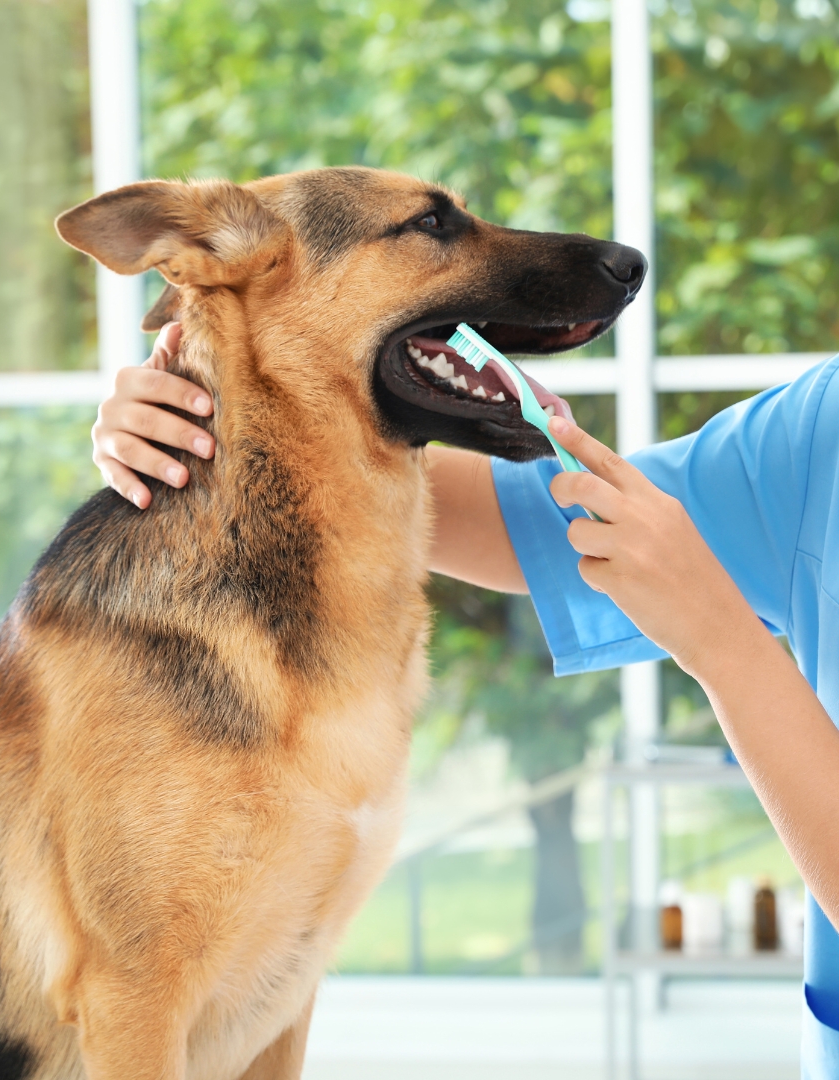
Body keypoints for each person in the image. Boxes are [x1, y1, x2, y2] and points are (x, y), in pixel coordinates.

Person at [93, 321, 839, 1075]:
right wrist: (217, 435)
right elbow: (531, 520)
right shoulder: (822, 434)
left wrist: (720, 639)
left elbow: (692, 595)